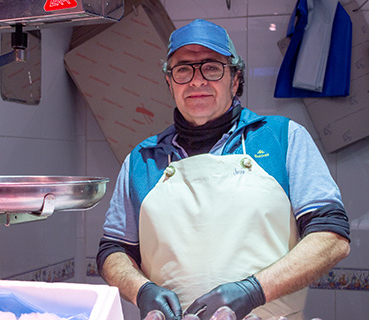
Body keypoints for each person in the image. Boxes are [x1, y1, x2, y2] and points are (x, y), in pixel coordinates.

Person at [96, 19, 350, 320]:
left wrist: (254, 290)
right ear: (169, 82)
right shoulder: (142, 159)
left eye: (212, 68)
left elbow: (332, 237)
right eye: (183, 69)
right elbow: (113, 251)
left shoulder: (284, 138)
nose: (197, 81)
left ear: (235, 79)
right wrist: (141, 290)